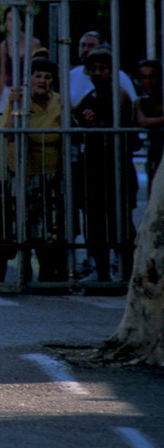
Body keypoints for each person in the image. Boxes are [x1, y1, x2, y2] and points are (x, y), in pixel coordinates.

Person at [73, 46, 136, 283]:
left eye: (103, 68)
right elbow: (73, 116)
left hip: (117, 168)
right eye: (94, 69)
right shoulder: (87, 96)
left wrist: (98, 122)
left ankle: (126, 272)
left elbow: (123, 129)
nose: (98, 73)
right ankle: (101, 273)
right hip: (93, 168)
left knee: (121, 222)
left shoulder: (119, 94)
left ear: (111, 71)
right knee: (95, 222)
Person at [1, 57, 67, 282]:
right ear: (28, 79)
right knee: (23, 220)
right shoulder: (18, 101)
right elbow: (8, 134)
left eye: (47, 77)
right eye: (37, 76)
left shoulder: (60, 101)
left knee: (50, 224)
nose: (42, 80)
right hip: (23, 172)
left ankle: (48, 270)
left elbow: (71, 131)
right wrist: (12, 106)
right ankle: (24, 267)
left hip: (52, 173)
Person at [68, 30, 137, 106]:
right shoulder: (71, 75)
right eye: (83, 45)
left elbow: (132, 104)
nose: (86, 49)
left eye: (91, 46)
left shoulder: (119, 76)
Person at [136, 59, 164, 194]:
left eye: (152, 76)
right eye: (144, 77)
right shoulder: (141, 102)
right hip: (155, 153)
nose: (149, 82)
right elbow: (142, 121)